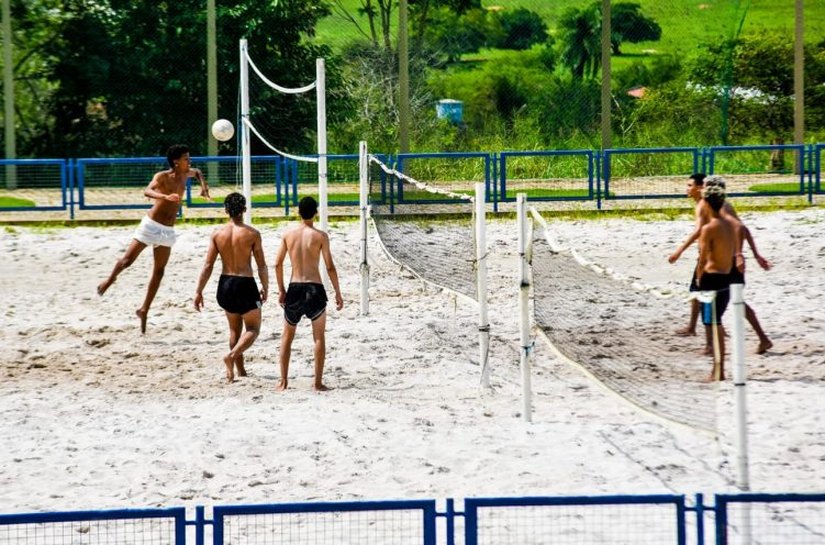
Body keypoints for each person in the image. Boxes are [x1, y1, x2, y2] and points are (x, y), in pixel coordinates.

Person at [97, 144, 210, 333]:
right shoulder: (162, 176)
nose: (189, 162)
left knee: (159, 271)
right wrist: (165, 197)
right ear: (176, 162)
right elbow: (147, 191)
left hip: (167, 230)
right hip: (150, 226)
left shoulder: (186, 173)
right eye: (186, 159)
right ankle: (109, 279)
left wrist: (204, 188)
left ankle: (144, 310)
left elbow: (198, 172)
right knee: (127, 261)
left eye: (189, 158)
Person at [668, 174, 773, 354]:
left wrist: (680, 251)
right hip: (723, 260)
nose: (689, 188)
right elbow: (739, 228)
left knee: (706, 297)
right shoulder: (715, 205)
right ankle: (760, 338)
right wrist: (754, 255)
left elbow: (735, 228)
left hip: (720, 262)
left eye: (691, 185)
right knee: (722, 299)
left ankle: (711, 343)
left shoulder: (711, 206)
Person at [194, 193, 268, 384]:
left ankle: (239, 372)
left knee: (234, 330)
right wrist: (265, 286)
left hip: (225, 284)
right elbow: (261, 265)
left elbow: (208, 265)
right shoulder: (252, 234)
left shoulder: (218, 234)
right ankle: (232, 355)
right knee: (253, 328)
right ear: (244, 209)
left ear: (226, 210)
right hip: (245, 283)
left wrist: (198, 291)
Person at [274, 196, 344, 391]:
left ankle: (283, 381)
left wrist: (281, 289)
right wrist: (338, 292)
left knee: (287, 337)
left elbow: (277, 263)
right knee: (319, 337)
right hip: (315, 288)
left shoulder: (288, 235)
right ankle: (317, 382)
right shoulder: (320, 236)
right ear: (316, 212)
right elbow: (330, 267)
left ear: (298, 212)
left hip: (295, 287)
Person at [695, 183, 738, 381]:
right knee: (717, 323)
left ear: (707, 204)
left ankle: (718, 370)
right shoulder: (730, 225)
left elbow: (703, 259)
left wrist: (698, 278)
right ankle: (718, 368)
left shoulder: (709, 228)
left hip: (711, 280)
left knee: (713, 325)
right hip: (727, 279)